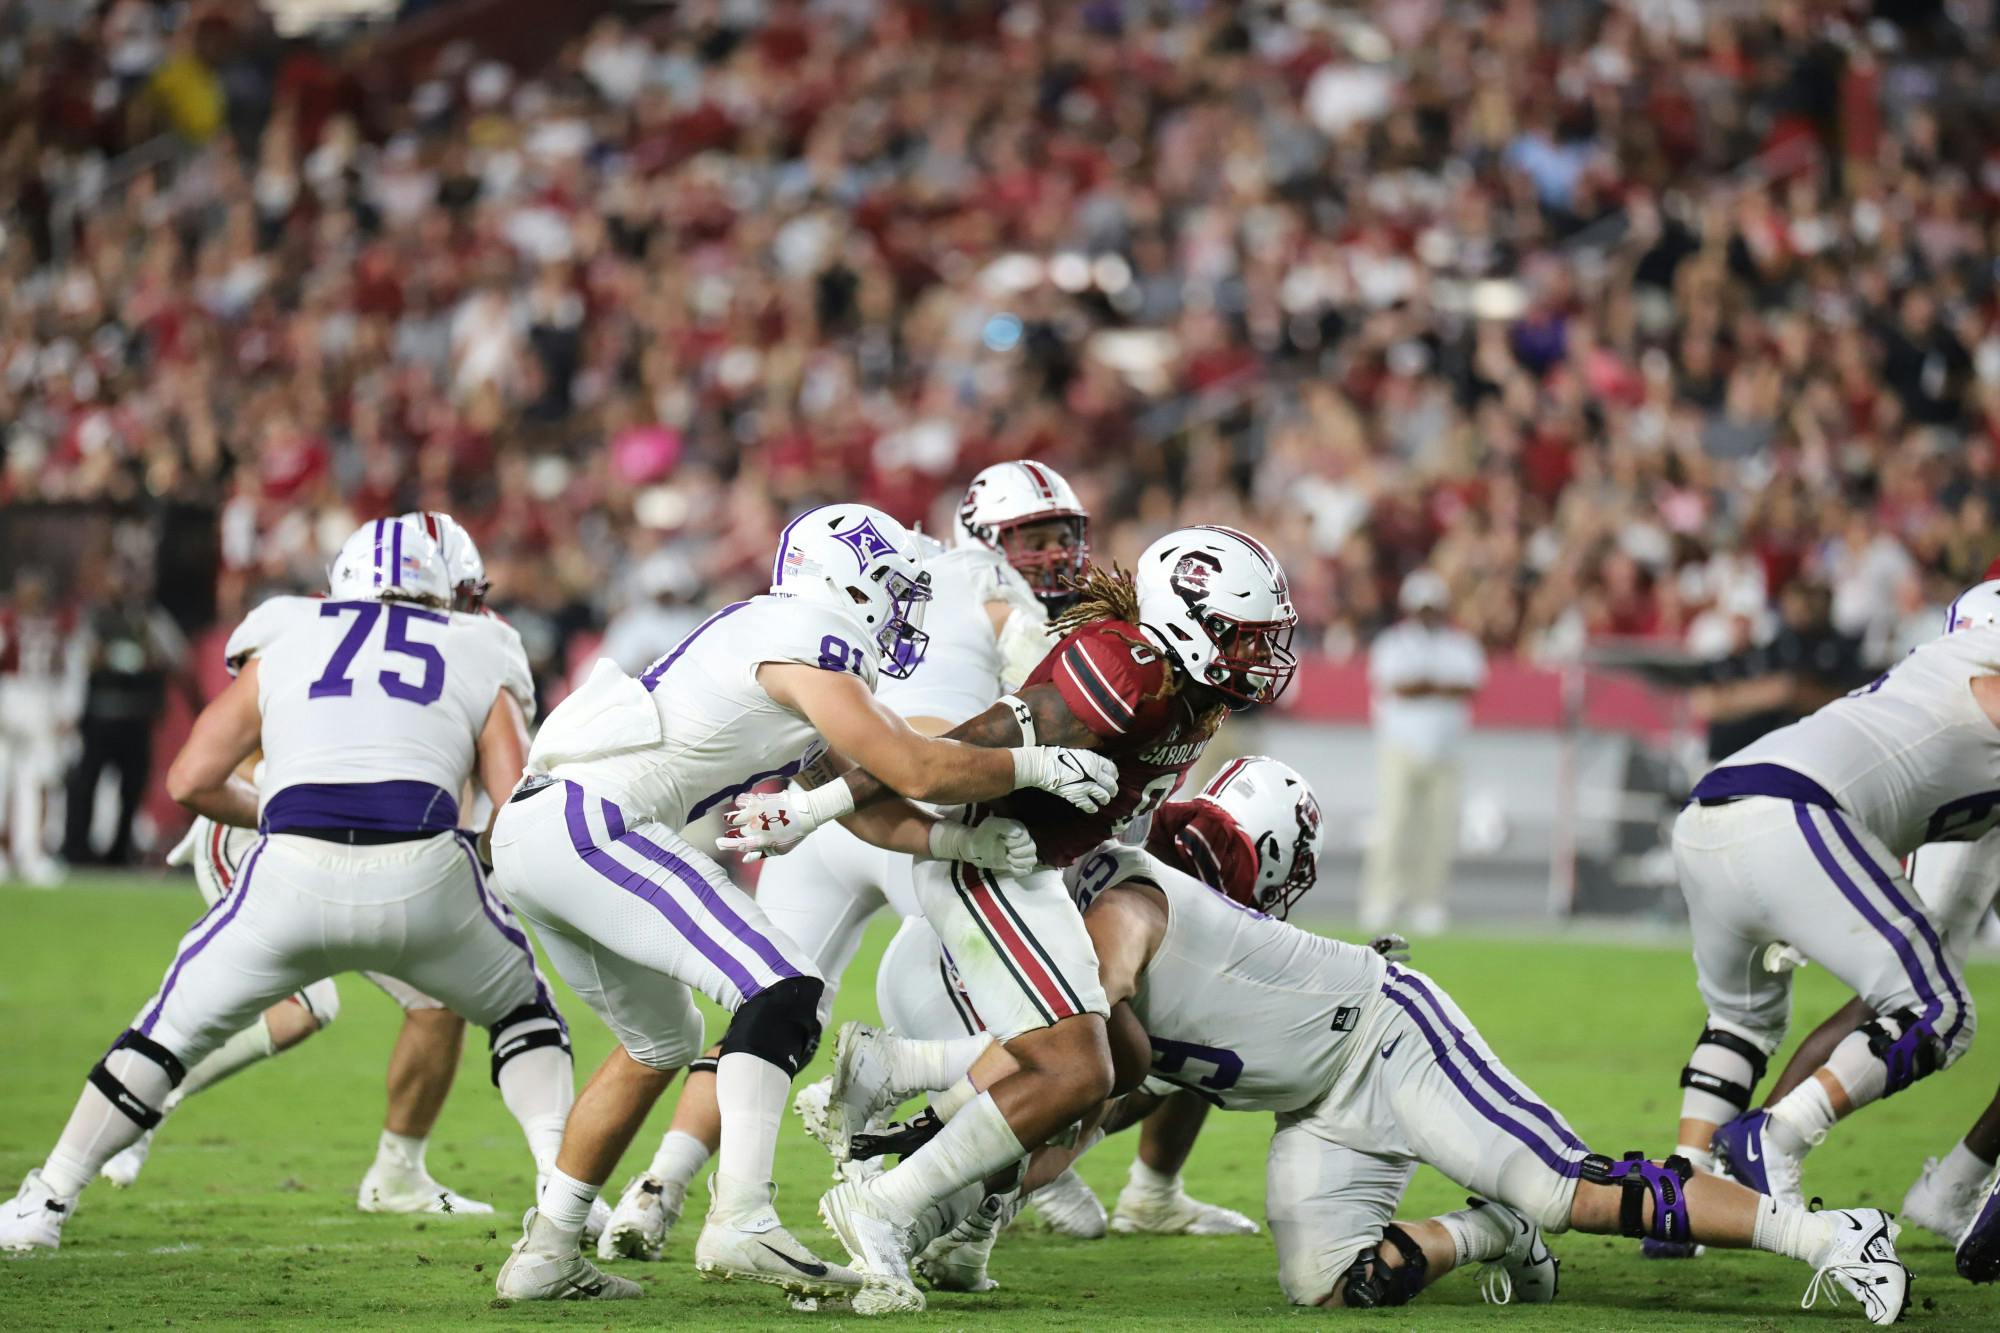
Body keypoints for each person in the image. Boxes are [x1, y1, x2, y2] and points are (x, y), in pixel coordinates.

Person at [482, 502, 1117, 1303]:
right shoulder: (814, 634)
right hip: (592, 821)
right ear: (856, 578)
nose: (903, 605)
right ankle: (741, 1215)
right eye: (895, 586)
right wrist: (1036, 765)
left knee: (661, 1041)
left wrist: (963, 843)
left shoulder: (775, 631)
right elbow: (914, 765)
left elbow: (862, 791)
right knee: (784, 986)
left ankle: (547, 1251)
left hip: (541, 830)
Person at [728, 524, 1298, 1314]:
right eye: (1238, 637)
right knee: (1076, 1069)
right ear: (1188, 620)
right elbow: (955, 751)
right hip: (988, 869)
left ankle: (896, 1098)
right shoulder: (1127, 668)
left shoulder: (1182, 687)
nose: (1252, 658)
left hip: (1035, 872)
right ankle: (888, 1201)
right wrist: (816, 803)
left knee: (1124, 1058)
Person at [0, 518, 576, 1253]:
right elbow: (516, 805)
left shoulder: (285, 631)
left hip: (288, 865)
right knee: (525, 1015)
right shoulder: (484, 645)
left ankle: (45, 1199)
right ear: (447, 587)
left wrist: (278, 815)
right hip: (425, 869)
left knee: (163, 1031)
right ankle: (563, 1201)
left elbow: (189, 778)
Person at [1662, 583, 1991, 1217]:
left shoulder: (1927, 672)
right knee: (1941, 1010)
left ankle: (1680, 1196)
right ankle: (1775, 1136)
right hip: (1793, 812)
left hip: (1711, 811)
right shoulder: (1974, 670)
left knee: (1741, 1021)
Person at [1359, 569, 1486, 936]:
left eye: (1434, 606)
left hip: (1447, 750)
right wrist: (1436, 685)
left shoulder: (1459, 644)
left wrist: (1426, 684)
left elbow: (1468, 685)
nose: (1428, 613)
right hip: (1400, 747)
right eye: (1423, 607)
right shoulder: (1393, 643)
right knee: (1394, 824)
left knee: (1439, 829)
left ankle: (1428, 901)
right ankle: (1382, 899)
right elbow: (1399, 686)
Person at [61, 568, 200, 867]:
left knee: (131, 789)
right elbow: (79, 658)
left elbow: (178, 656)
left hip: (136, 716)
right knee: (86, 785)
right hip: (100, 714)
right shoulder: (94, 618)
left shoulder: (150, 618)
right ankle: (76, 850)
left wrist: (148, 655)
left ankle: (118, 853)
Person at [0, 569, 82, 885]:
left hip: (41, 699)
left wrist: (67, 708)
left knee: (40, 781)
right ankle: (8, 852)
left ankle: (33, 852)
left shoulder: (61, 622)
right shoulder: (8, 619)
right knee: (5, 780)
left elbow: (70, 667)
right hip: (11, 695)